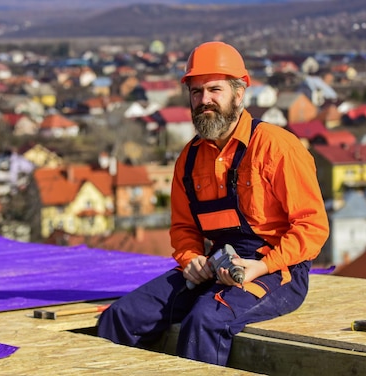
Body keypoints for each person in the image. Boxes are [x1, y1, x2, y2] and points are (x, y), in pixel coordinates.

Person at [97, 41, 329, 366]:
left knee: (204, 323)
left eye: (214, 90)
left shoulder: (277, 148)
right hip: (215, 265)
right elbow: (183, 227)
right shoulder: (189, 160)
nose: (204, 100)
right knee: (120, 317)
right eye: (196, 92)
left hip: (278, 269)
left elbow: (312, 227)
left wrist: (259, 267)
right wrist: (191, 258)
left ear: (239, 93)